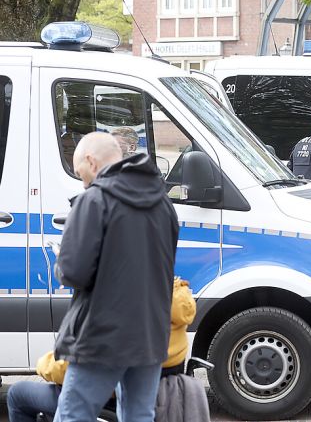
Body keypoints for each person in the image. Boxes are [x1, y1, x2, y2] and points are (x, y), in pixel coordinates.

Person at [52, 132, 179, 422]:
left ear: (91, 161)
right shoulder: (163, 204)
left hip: (102, 335)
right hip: (150, 333)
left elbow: (73, 272)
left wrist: (62, 258)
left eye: (79, 170)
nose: (82, 179)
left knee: (74, 414)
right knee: (138, 415)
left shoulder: (94, 200)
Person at [5, 278, 196, 422]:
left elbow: (71, 369)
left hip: (109, 394)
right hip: (164, 392)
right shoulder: (173, 301)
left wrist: (43, 364)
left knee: (17, 394)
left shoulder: (117, 308)